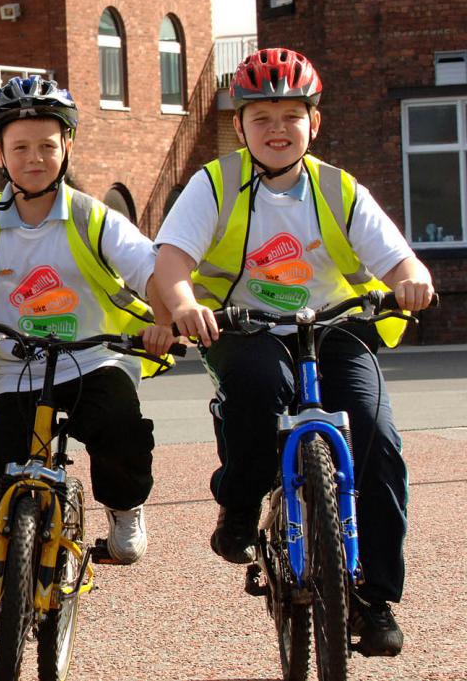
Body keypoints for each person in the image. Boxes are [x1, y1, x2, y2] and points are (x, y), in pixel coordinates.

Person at [154, 47, 436, 658]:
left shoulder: (339, 189)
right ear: (240, 127)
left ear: (315, 121)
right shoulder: (214, 183)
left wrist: (412, 278)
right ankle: (238, 502)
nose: (277, 129)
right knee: (259, 393)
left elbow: (397, 258)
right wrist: (182, 304)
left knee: (376, 436)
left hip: (334, 327)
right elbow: (172, 260)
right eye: (262, 118)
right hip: (245, 325)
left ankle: (375, 597)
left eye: (291, 116)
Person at [0, 76, 172, 634]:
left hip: (93, 359)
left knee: (119, 423)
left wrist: (167, 318)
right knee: (3, 468)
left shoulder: (94, 218)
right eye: (20, 147)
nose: (35, 158)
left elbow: (151, 268)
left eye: (48, 145)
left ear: (67, 146)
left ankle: (123, 507)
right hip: (15, 367)